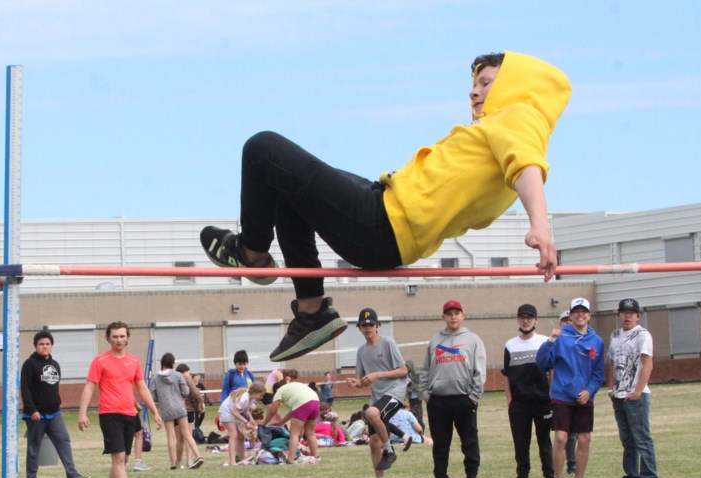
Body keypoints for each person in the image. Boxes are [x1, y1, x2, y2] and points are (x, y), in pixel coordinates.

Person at [200, 51, 569, 362]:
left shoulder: (520, 115)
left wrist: (540, 226)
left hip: (382, 223)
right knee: (285, 183)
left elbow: (526, 168)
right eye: (473, 85)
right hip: (384, 212)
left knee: (262, 148)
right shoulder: (501, 128)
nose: (474, 93)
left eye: (486, 83)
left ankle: (251, 254)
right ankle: (312, 308)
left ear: (516, 84)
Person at [78, 322, 162, 478]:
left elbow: (142, 388)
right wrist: (82, 413)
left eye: (122, 336)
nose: (119, 340)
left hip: (130, 414)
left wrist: (155, 412)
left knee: (122, 459)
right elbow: (89, 387)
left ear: (127, 338)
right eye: (115, 336)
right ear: (108, 338)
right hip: (109, 414)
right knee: (118, 457)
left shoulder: (134, 361)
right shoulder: (100, 361)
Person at [536, 298, 605, 478]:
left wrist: (589, 391)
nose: (580, 315)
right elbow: (541, 363)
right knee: (560, 437)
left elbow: (598, 373)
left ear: (589, 316)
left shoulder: (597, 342)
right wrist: (549, 341)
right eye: (576, 311)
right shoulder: (560, 337)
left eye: (584, 311)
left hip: (584, 397)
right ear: (570, 315)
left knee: (584, 439)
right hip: (562, 395)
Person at [421, 300, 486, 478]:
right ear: (444, 317)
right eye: (449, 313)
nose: (453, 317)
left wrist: (474, 396)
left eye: (457, 313)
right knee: (440, 444)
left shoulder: (473, 340)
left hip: (464, 399)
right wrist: (427, 394)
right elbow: (424, 370)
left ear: (462, 315)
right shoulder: (434, 341)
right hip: (439, 400)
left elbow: (480, 371)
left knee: (469, 441)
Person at [346, 308, 408, 478]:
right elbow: (361, 381)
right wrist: (355, 383)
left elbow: (403, 370)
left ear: (378, 326)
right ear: (359, 329)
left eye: (371, 324)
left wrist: (378, 374)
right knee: (373, 442)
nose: (367, 328)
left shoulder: (388, 343)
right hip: (377, 397)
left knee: (371, 413)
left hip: (394, 392)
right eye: (363, 325)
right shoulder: (361, 351)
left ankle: (389, 451)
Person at [20, 330, 90, 478]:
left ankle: (72, 475)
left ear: (51, 346)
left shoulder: (55, 364)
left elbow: (54, 387)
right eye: (41, 344)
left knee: (63, 440)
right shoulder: (29, 364)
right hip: (36, 414)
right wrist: (32, 410)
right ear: (35, 346)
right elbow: (25, 389)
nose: (44, 347)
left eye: (47, 344)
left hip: (54, 413)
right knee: (34, 446)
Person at [608, 298, 658, 478]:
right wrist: (611, 388)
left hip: (636, 395)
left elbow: (647, 363)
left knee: (642, 438)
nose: (627, 315)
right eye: (624, 312)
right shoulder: (615, 335)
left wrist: (637, 391)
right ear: (619, 315)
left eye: (631, 312)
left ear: (638, 316)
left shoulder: (643, 335)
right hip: (619, 395)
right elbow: (612, 363)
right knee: (627, 440)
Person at [502, 304, 554, 478]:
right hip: (519, 404)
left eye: (529, 317)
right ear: (518, 320)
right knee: (521, 445)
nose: (526, 320)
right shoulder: (510, 345)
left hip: (542, 402)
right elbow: (506, 375)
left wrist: (551, 395)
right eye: (522, 317)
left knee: (545, 444)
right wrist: (510, 400)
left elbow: (551, 370)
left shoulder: (545, 342)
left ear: (536, 320)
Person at [151, 353, 204, 470]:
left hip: (166, 409)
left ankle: (173, 463)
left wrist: (163, 398)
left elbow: (153, 396)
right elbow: (185, 391)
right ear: (173, 364)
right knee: (187, 434)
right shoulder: (178, 375)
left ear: (162, 364)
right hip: (180, 407)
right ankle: (198, 456)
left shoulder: (155, 378)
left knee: (171, 436)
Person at [263, 380, 321, 464]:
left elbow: (272, 411)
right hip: (315, 401)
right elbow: (294, 411)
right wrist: (281, 422)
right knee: (310, 433)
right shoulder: (293, 387)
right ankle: (315, 457)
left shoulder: (279, 392)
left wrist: (264, 423)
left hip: (303, 403)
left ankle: (290, 459)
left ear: (275, 390)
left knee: (294, 434)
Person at [217, 382, 266, 466]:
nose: (262, 398)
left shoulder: (251, 399)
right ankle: (232, 461)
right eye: (261, 395)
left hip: (233, 413)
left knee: (241, 437)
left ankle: (242, 459)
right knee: (233, 435)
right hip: (226, 412)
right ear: (255, 392)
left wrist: (251, 420)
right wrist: (246, 422)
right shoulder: (245, 398)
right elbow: (234, 411)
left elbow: (245, 410)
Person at [557, 309, 577, 475]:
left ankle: (572, 464)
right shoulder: (555, 342)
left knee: (573, 434)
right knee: (560, 434)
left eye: (569, 321)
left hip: (575, 393)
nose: (567, 324)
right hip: (558, 394)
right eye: (564, 321)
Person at [176, 363, 207, 446]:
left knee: (179, 438)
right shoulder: (188, 380)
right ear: (185, 372)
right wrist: (200, 404)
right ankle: (190, 458)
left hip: (176, 411)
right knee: (189, 436)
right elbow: (196, 394)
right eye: (188, 372)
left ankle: (178, 458)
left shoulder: (174, 381)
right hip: (188, 410)